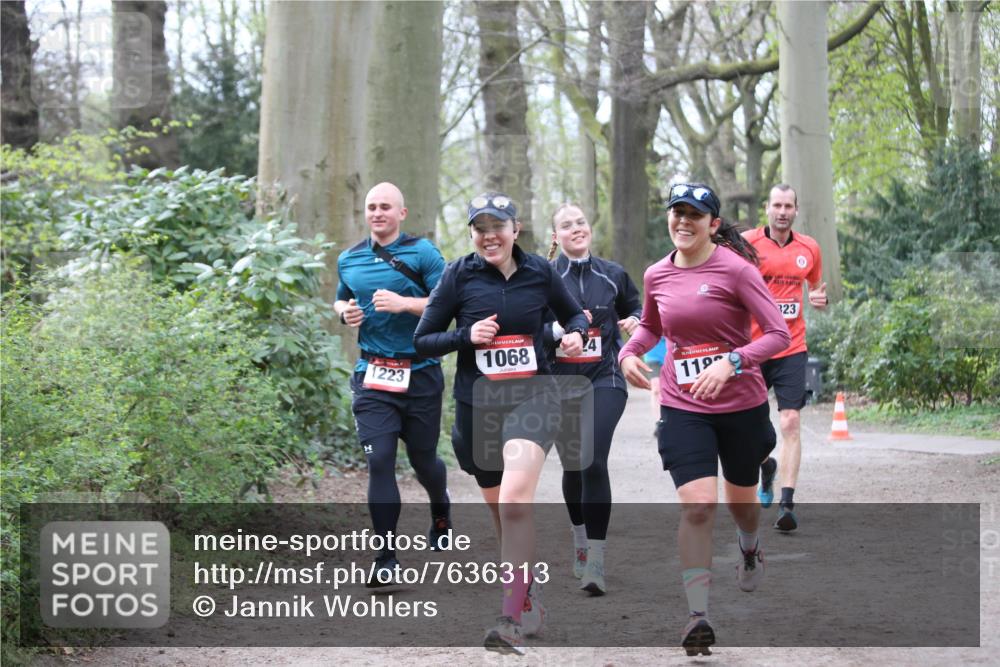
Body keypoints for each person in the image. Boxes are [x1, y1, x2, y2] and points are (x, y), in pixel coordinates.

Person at [618, 183, 790, 655]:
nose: (683, 222)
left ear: (713, 224)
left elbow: (777, 334)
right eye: (677, 213)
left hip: (740, 406)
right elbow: (652, 325)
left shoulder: (736, 270)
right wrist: (628, 352)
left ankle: (750, 548)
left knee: (742, 505)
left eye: (695, 215)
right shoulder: (656, 274)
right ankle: (698, 615)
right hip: (682, 405)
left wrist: (732, 362)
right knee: (697, 506)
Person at [414, 193, 589, 655]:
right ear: (472, 233)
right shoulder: (458, 274)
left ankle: (509, 616)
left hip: (534, 397)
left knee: (514, 499)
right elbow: (423, 339)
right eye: (480, 228)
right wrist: (465, 336)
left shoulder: (540, 271)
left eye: (499, 226)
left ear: (516, 230)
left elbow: (573, 314)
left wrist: (575, 335)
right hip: (479, 405)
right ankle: (526, 585)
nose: (489, 235)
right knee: (498, 507)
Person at [333, 182, 451, 586]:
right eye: (371, 207)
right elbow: (342, 297)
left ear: (402, 213)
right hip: (373, 377)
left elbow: (448, 301)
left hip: (420, 374)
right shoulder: (348, 259)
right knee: (379, 460)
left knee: (423, 462)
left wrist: (405, 304)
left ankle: (440, 506)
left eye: (386, 207)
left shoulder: (423, 253)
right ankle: (385, 558)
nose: (377, 213)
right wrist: (343, 312)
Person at [544, 203, 642, 595]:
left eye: (581, 222)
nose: (576, 229)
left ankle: (597, 563)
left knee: (593, 458)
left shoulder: (612, 273)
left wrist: (634, 320)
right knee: (573, 467)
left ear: (589, 228)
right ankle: (581, 541)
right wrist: (557, 331)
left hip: (606, 377)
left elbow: (636, 307)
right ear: (556, 236)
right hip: (561, 383)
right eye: (566, 225)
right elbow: (530, 319)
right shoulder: (544, 276)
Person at [743, 184, 827, 532]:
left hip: (792, 348)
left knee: (790, 420)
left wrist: (821, 299)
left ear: (795, 210)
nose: (782, 211)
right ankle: (765, 467)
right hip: (752, 348)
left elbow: (817, 288)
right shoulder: (747, 244)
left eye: (788, 206)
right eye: (776, 205)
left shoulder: (809, 248)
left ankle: (787, 504)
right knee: (749, 429)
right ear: (767, 208)